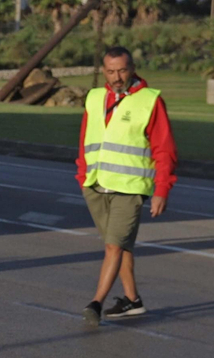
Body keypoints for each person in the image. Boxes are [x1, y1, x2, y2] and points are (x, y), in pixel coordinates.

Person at [76, 46, 177, 325]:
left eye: (122, 70)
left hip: (130, 188)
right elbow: (85, 138)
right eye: (110, 71)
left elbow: (164, 150)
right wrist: (82, 175)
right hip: (96, 185)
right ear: (103, 71)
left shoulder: (149, 101)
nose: (116, 76)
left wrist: (161, 190)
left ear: (132, 68)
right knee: (121, 246)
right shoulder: (95, 97)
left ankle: (96, 303)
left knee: (113, 247)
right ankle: (132, 301)